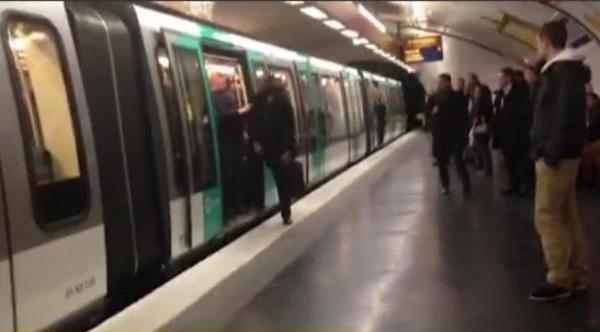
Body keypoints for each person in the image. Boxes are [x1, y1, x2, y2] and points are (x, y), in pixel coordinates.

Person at [529, 20, 589, 301]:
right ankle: (576, 274)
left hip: (557, 157)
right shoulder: (563, 72)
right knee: (567, 215)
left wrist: (549, 152)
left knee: (546, 216)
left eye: (537, 42)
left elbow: (565, 117)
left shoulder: (563, 73)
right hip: (565, 154)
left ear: (545, 41)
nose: (536, 47)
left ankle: (560, 279)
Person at [249, 75, 297, 225]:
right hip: (281, 148)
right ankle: (286, 214)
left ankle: (258, 207)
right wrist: (289, 148)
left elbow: (252, 122)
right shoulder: (283, 99)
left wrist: (255, 142)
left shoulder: (258, 100)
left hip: (264, 146)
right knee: (283, 183)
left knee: (257, 177)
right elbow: (290, 125)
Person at [430, 73, 471, 195]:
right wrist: (431, 113)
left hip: (455, 135)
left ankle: (466, 183)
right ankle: (445, 185)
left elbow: (464, 116)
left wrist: (465, 132)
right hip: (440, 135)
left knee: (458, 160)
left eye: (441, 82)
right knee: (442, 162)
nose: (439, 84)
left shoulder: (458, 97)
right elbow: (427, 113)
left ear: (448, 82)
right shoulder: (433, 98)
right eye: (438, 82)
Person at [496, 67, 530, 196]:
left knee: (521, 161)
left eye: (501, 77)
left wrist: (515, 126)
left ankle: (525, 187)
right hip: (505, 135)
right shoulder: (501, 95)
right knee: (509, 162)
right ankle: (513, 185)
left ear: (508, 78)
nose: (498, 80)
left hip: (518, 133)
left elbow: (524, 113)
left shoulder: (519, 92)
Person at [580, 92, 600, 186]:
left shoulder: (596, 112)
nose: (587, 102)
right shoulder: (588, 112)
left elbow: (592, 130)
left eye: (589, 100)